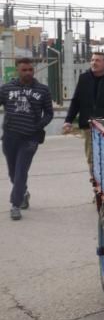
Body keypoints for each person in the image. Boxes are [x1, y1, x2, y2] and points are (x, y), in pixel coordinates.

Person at [1, 58, 54, 220]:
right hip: (10, 137)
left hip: (30, 138)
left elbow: (49, 113)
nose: (28, 73)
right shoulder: (6, 88)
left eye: (30, 70)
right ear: (18, 70)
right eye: (24, 70)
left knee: (21, 171)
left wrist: (38, 126)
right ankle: (23, 192)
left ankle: (15, 205)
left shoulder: (43, 90)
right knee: (12, 172)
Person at [62, 51, 104, 171]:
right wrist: (68, 120)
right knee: (92, 157)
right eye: (92, 60)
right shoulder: (84, 78)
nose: (94, 63)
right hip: (89, 125)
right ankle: (96, 182)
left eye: (98, 60)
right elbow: (76, 101)